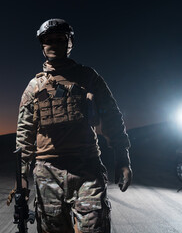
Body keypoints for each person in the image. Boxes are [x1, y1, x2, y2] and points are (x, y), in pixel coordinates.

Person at [9, 18, 132, 233]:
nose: (54, 44)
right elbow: (24, 136)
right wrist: (22, 181)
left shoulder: (88, 77)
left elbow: (112, 118)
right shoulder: (34, 87)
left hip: (86, 169)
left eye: (60, 39)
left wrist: (122, 158)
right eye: (49, 41)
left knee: (94, 228)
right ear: (42, 46)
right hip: (47, 173)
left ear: (70, 43)